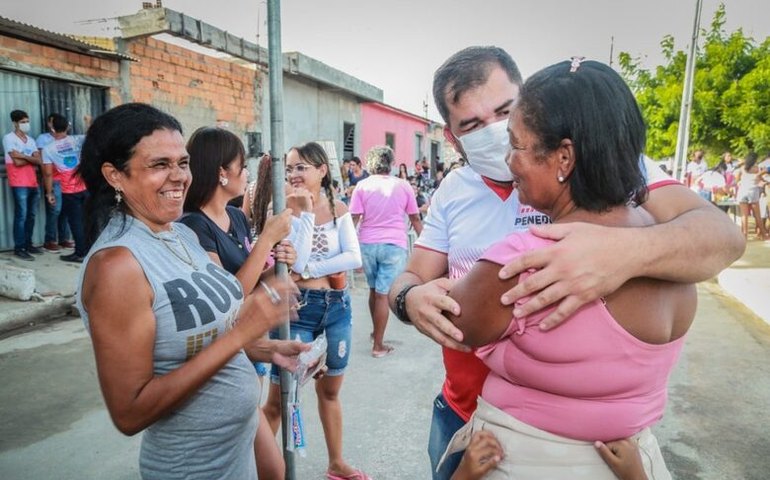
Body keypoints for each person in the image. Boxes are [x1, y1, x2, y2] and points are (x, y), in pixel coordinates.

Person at [387, 46, 744, 480]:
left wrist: (619, 254)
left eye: (506, 113)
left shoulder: (615, 162)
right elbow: (412, 277)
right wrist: (409, 299)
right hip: (464, 411)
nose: (497, 137)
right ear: (451, 136)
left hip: (527, 445)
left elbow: (723, 236)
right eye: (473, 125)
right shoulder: (451, 191)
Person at [444, 59, 694, 479]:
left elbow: (458, 326)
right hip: (633, 461)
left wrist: (418, 293)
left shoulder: (524, 260)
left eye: (516, 145)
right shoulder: (674, 255)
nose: (508, 161)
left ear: (564, 157)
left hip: (522, 461)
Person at [75, 103, 296, 479]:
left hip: (237, 452)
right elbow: (130, 412)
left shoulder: (181, 234)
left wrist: (264, 348)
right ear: (115, 175)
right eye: (160, 164)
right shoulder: (117, 266)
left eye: (183, 162)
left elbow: (192, 337)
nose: (179, 177)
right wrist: (243, 332)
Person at [179, 127, 305, 479]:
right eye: (241, 165)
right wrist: (266, 240)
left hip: (252, 342)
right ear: (222, 172)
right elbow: (228, 294)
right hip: (222, 349)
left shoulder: (235, 216)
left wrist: (282, 264)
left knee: (267, 465)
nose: (247, 172)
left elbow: (252, 281)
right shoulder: (192, 227)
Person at [262, 142, 368, 480]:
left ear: (322, 171)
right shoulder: (281, 211)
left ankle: (336, 463)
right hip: (298, 310)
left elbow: (354, 257)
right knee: (281, 398)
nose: (293, 174)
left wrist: (309, 270)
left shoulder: (338, 208)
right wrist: (304, 213)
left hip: (336, 308)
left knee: (331, 391)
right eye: (289, 167)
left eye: (301, 167)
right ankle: (255, 466)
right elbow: (299, 258)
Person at [349, 145, 423, 357]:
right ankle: (378, 346)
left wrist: (350, 249)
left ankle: (376, 333)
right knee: (383, 295)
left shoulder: (362, 186)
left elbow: (354, 219)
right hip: (393, 245)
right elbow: (415, 218)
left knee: (374, 291)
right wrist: (426, 242)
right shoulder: (403, 185)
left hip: (367, 244)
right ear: (391, 163)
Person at [41, 113, 90, 263]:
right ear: (68, 127)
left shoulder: (48, 149)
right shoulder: (78, 139)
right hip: (85, 187)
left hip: (69, 191)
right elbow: (93, 135)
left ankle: (80, 253)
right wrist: (88, 122)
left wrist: (49, 193)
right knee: (87, 220)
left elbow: (48, 174)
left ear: (52, 129)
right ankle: (89, 251)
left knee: (75, 222)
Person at [3, 109, 42, 260]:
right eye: (23, 122)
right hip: (18, 181)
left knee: (31, 215)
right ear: (15, 123)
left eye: (27, 121)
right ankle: (19, 247)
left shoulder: (31, 140)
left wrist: (22, 155)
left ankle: (28, 243)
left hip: (32, 181)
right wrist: (29, 158)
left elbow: (39, 160)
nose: (26, 124)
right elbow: (17, 163)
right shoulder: (9, 138)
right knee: (21, 215)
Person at [36, 113, 73, 253]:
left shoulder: (67, 139)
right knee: (55, 210)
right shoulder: (43, 139)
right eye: (51, 122)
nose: (52, 125)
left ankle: (64, 238)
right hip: (53, 179)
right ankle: (50, 240)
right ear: (48, 123)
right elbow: (41, 161)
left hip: (66, 179)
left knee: (65, 210)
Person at [735, 152, 769, 240]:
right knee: (757, 215)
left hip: (742, 192)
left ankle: (744, 235)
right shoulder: (757, 168)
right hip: (753, 192)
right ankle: (764, 234)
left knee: (744, 215)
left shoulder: (742, 168)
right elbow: (760, 179)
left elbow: (737, 180)